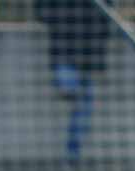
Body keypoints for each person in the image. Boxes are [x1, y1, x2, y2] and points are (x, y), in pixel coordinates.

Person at [35, 0, 111, 162]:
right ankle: (69, 90)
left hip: (87, 53)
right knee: (75, 91)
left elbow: (108, 13)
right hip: (65, 48)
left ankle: (73, 153)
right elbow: (41, 11)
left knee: (83, 104)